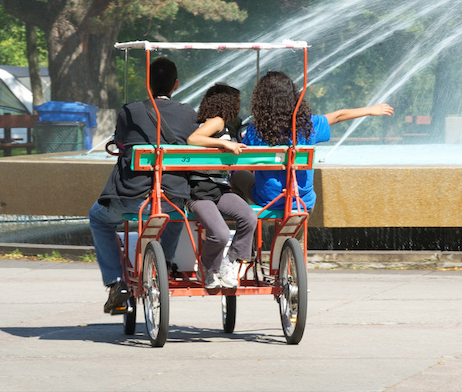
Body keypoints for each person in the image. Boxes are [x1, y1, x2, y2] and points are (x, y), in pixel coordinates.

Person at [89, 58, 198, 314]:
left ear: (148, 84)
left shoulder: (130, 111)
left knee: (98, 218)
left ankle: (116, 282)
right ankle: (167, 261)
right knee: (176, 215)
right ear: (176, 85)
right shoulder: (188, 113)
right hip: (171, 198)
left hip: (133, 198)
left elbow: (119, 141)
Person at [232, 70, 394, 210]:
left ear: (262, 101)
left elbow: (244, 160)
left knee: (237, 175)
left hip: (268, 200)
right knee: (299, 213)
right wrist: (370, 110)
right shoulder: (309, 125)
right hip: (303, 201)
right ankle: (298, 244)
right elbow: (338, 116)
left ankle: (246, 222)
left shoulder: (256, 130)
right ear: (293, 98)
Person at [186, 83, 257, 289]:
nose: (239, 107)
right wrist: (225, 144)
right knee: (221, 234)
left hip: (219, 188)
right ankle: (209, 267)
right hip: (199, 191)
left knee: (249, 217)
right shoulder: (216, 122)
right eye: (237, 103)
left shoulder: (224, 125)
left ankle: (230, 262)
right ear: (229, 103)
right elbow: (193, 140)